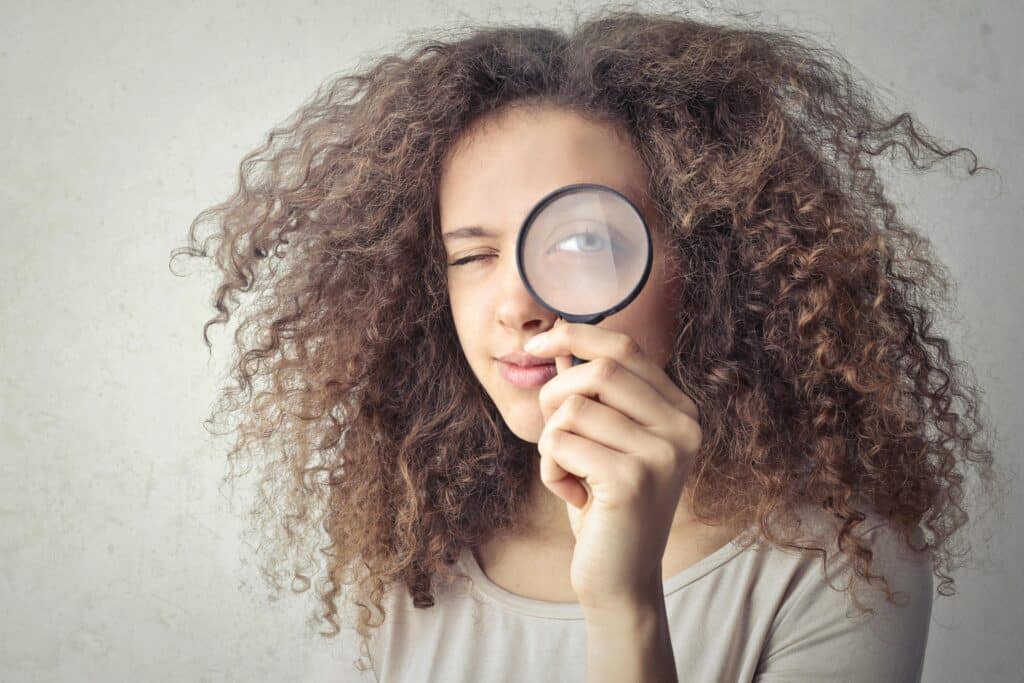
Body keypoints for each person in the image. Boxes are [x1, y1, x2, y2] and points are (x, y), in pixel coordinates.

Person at [170, 7, 1004, 682]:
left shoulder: (842, 572)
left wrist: (624, 601)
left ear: (708, 265)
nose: (518, 305)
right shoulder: (407, 557)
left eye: (581, 242)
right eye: (471, 256)